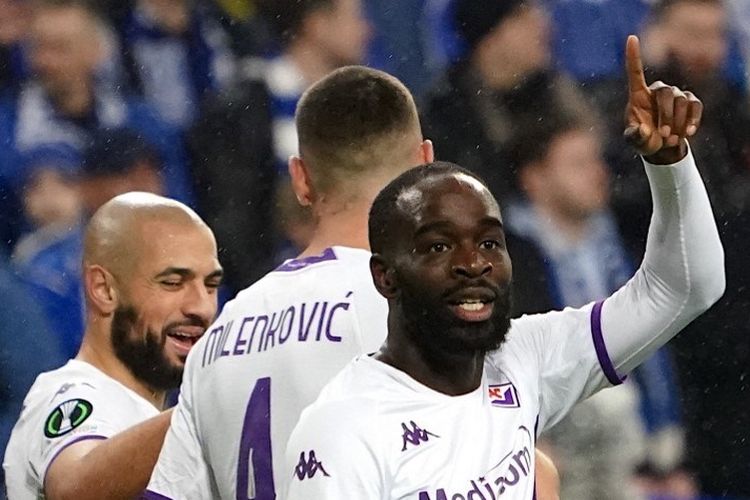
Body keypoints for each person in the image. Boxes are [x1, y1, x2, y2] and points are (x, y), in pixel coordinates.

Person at [281, 36, 725, 498]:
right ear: (385, 277)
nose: (473, 264)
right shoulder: (343, 430)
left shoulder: (523, 361)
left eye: (489, 242)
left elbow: (685, 287)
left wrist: (669, 163)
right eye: (438, 247)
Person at [144, 65, 559, 500]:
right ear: (425, 166)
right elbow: (520, 481)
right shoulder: (420, 310)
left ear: (301, 180)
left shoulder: (218, 337)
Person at [3, 192, 223, 500]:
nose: (201, 307)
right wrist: (213, 407)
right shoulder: (71, 396)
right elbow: (74, 489)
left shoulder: (155, 417)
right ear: (104, 290)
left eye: (210, 285)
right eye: (172, 282)